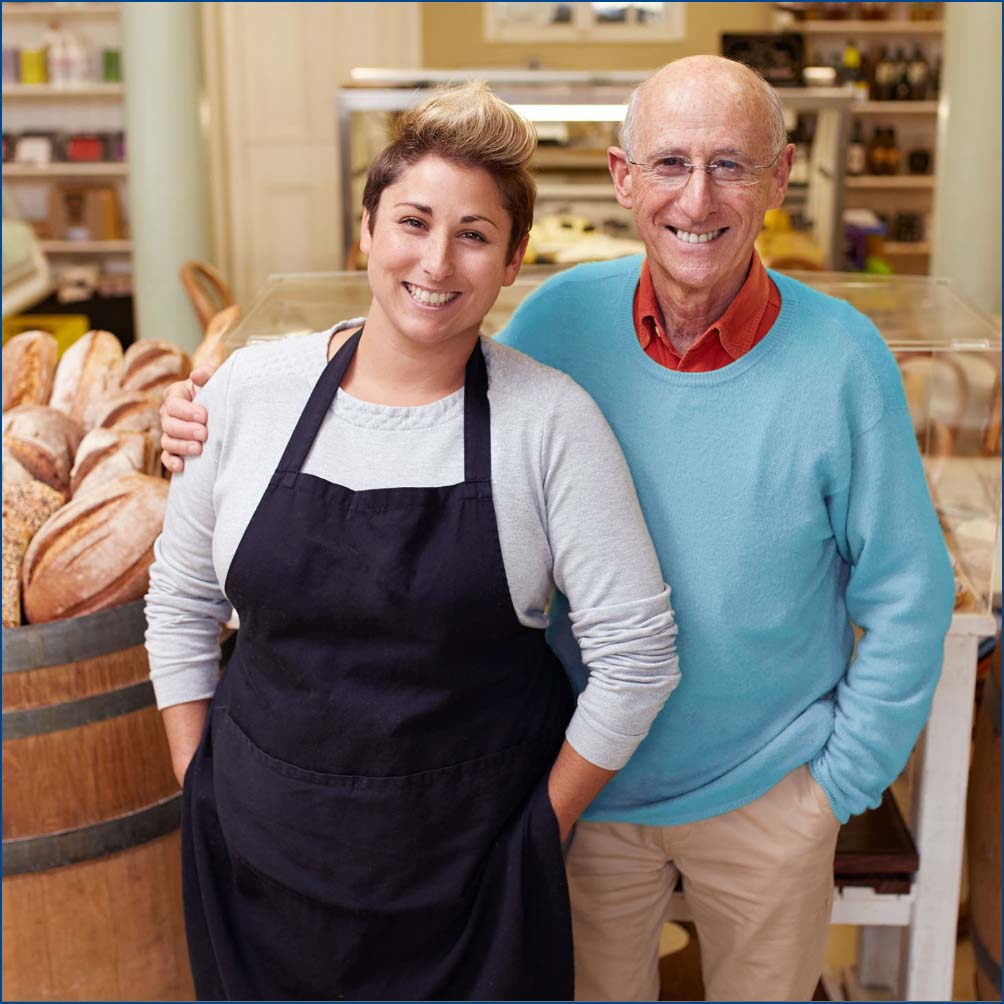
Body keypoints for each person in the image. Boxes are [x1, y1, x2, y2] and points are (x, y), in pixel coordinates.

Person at [161, 57, 956, 1002]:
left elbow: (910, 590)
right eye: (668, 163)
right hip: (583, 804)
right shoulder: (559, 320)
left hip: (754, 793)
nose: (697, 197)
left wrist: (836, 786)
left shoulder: (836, 360)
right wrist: (212, 413)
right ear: (624, 179)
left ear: (780, 179)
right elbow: (417, 353)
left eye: (732, 166)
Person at [145, 82, 681, 1003]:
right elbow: (181, 602)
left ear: (513, 261)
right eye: (413, 221)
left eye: (474, 234)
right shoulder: (245, 392)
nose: (437, 261)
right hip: (256, 867)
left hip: (469, 889)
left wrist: (534, 837)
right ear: (366, 229)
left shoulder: (549, 422)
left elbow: (638, 658)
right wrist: (201, 785)